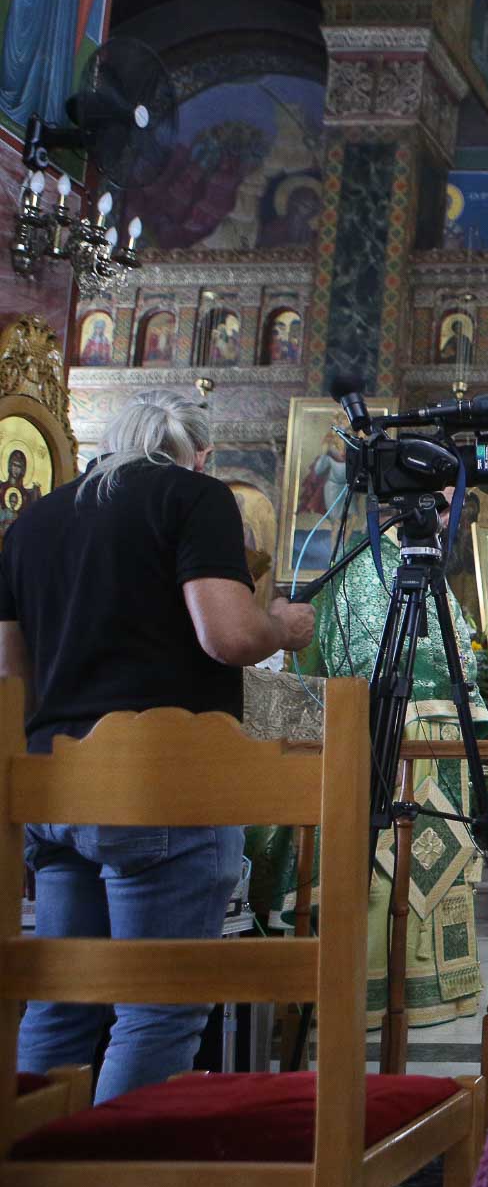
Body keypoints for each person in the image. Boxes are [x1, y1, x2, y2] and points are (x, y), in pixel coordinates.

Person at [0, 390, 314, 1100]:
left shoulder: (33, 522)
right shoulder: (194, 497)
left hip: (53, 789)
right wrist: (283, 625)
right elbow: (229, 635)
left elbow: (12, 682)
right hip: (160, 786)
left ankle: (33, 1167)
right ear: (200, 454)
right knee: (158, 1009)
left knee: (61, 1002)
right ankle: (120, 1174)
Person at [293, 487, 488, 1027]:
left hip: (412, 743)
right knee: (389, 863)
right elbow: (423, 662)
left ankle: (416, 990)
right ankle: (382, 992)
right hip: (396, 746)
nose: (448, 523)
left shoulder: (389, 569)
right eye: (443, 508)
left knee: (420, 861)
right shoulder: (373, 572)